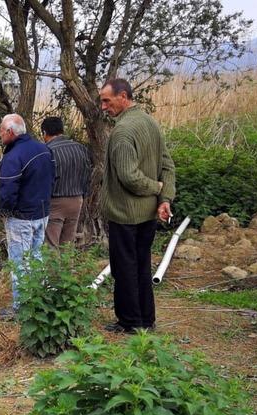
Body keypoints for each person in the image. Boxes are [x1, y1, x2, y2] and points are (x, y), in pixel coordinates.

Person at [99, 78, 175, 333]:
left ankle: (130, 322)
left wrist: (158, 190)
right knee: (142, 265)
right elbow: (168, 166)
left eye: (106, 100)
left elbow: (129, 177)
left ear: (123, 96)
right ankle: (146, 320)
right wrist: (164, 200)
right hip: (148, 214)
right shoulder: (150, 123)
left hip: (125, 213)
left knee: (124, 268)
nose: (103, 106)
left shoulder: (122, 132)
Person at [0, 113, 55, 319]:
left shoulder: (13, 156)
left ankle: (21, 309)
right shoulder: (43, 148)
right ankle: (38, 300)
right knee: (36, 258)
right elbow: (52, 179)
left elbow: (7, 190)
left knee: (19, 262)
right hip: (42, 214)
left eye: (2, 132)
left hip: (21, 218)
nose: (0, 136)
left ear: (10, 132)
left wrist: (5, 213)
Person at [40, 117, 92, 247]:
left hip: (55, 202)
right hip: (77, 201)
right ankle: (67, 267)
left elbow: (44, 180)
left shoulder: (47, 151)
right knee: (67, 245)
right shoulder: (80, 148)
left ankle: (54, 268)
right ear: (62, 130)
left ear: (44, 133)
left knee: (51, 245)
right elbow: (87, 176)